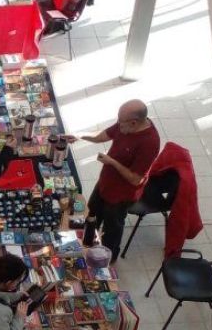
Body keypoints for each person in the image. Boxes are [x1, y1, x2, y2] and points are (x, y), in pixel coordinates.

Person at [68, 99, 161, 259]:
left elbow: (135, 180)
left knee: (112, 229)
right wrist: (80, 136)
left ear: (134, 122)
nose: (118, 125)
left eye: (121, 122)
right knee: (91, 216)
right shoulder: (124, 124)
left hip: (121, 196)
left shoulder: (150, 142)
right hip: (105, 183)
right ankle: (87, 242)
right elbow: (102, 136)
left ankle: (108, 258)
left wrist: (112, 162)